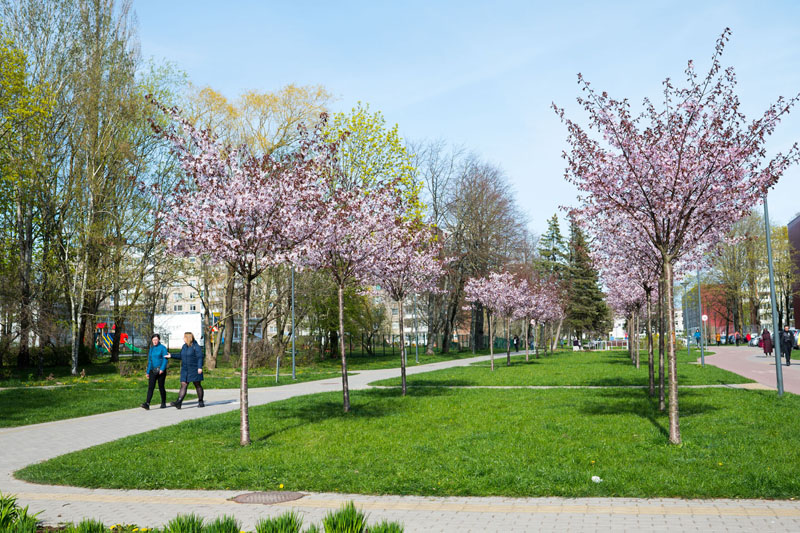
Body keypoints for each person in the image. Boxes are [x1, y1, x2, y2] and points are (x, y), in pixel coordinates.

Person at [165, 332, 204, 408]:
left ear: (188, 338)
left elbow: (200, 357)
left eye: (184, 337)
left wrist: (199, 367)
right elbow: (181, 356)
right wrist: (171, 355)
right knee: (183, 384)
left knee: (197, 385)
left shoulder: (196, 347)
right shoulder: (184, 346)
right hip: (185, 369)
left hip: (194, 369)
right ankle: (179, 402)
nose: (183, 339)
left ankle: (201, 401)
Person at [142, 334, 169, 410]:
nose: (155, 341)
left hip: (161, 371)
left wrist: (162, 369)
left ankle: (163, 402)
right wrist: (147, 372)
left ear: (159, 340)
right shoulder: (151, 349)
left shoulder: (163, 348)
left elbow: (165, 359)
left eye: (156, 340)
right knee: (151, 387)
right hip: (152, 370)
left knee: (161, 387)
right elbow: (150, 361)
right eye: (153, 340)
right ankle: (147, 403)